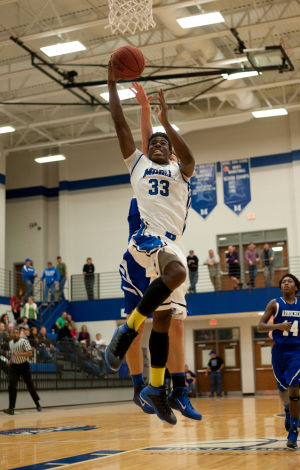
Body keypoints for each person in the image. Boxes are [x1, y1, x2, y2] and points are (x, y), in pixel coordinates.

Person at [105, 63, 196, 426]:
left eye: (164, 143)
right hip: (145, 238)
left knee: (165, 320)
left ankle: (158, 388)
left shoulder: (180, 170)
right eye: (154, 142)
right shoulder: (139, 164)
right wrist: (113, 84)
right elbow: (123, 128)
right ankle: (128, 331)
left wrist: (165, 120)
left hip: (170, 242)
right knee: (175, 272)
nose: (157, 144)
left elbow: (186, 156)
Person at [258, 273, 300, 449]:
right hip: (279, 352)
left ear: (296, 287)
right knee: (283, 390)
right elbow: (261, 326)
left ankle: (294, 432)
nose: (286, 284)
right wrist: (277, 326)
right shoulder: (275, 304)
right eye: (283, 282)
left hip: (297, 351)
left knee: (294, 390)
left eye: (290, 281)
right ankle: (288, 412)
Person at [2, 326, 42, 415]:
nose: (15, 334)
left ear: (20, 333)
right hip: (14, 367)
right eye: (14, 333)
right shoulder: (11, 342)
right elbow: (13, 354)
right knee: (11, 386)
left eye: (17, 333)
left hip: (24, 366)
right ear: (12, 334)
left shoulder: (24, 341)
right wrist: (10, 360)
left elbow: (30, 353)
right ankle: (11, 408)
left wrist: (19, 354)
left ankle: (37, 404)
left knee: (30, 386)